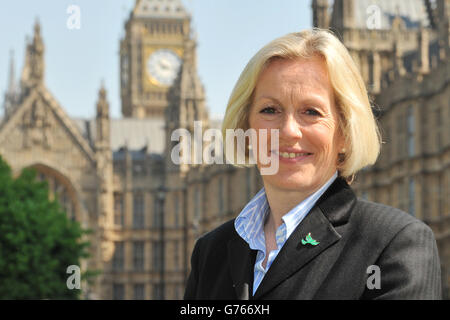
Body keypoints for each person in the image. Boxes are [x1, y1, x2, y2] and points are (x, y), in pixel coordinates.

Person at [184, 29, 441, 300]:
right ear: (245, 129)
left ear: (344, 133)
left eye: (311, 112)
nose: (289, 131)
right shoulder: (210, 253)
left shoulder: (395, 244)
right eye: (270, 110)